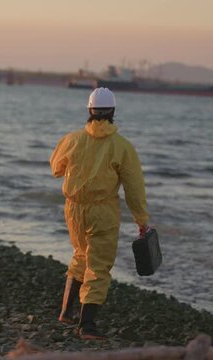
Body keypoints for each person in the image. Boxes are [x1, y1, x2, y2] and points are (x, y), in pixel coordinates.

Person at [50, 87, 151, 340]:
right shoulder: (122, 146)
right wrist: (142, 220)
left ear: (89, 110)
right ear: (113, 112)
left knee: (80, 256)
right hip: (102, 211)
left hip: (73, 209)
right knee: (99, 266)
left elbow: (56, 168)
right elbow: (134, 187)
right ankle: (87, 326)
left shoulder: (71, 139)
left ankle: (65, 312)